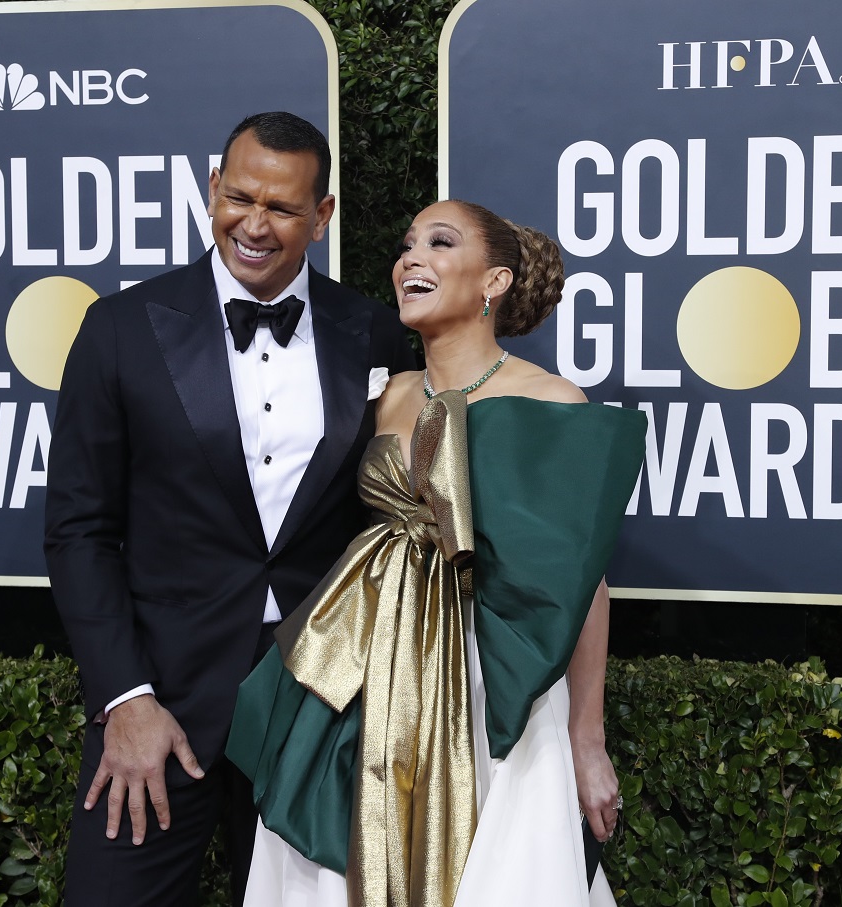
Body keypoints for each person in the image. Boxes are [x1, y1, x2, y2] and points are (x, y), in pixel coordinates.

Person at [226, 200, 648, 906]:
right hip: (370, 672)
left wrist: (587, 737)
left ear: (495, 282)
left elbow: (581, 584)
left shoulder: (552, 400)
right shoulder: (381, 396)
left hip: (490, 681)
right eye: (406, 244)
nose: (410, 259)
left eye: (440, 243)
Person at [44, 111, 416, 906]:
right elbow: (80, 531)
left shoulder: (376, 334)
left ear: (322, 215)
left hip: (315, 705)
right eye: (239, 197)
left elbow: (387, 525)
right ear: (213, 187)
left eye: (281, 207)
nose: (254, 224)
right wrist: (125, 698)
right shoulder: (120, 329)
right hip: (161, 701)